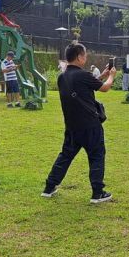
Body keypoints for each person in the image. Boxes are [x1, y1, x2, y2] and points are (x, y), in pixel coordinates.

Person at [42, 43, 116, 203]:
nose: (86, 57)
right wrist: (111, 76)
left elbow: (86, 85)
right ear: (79, 57)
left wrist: (102, 75)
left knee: (65, 156)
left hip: (72, 126)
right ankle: (98, 193)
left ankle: (49, 187)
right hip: (90, 125)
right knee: (96, 156)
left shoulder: (62, 77)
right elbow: (104, 88)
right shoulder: (83, 75)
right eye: (85, 54)